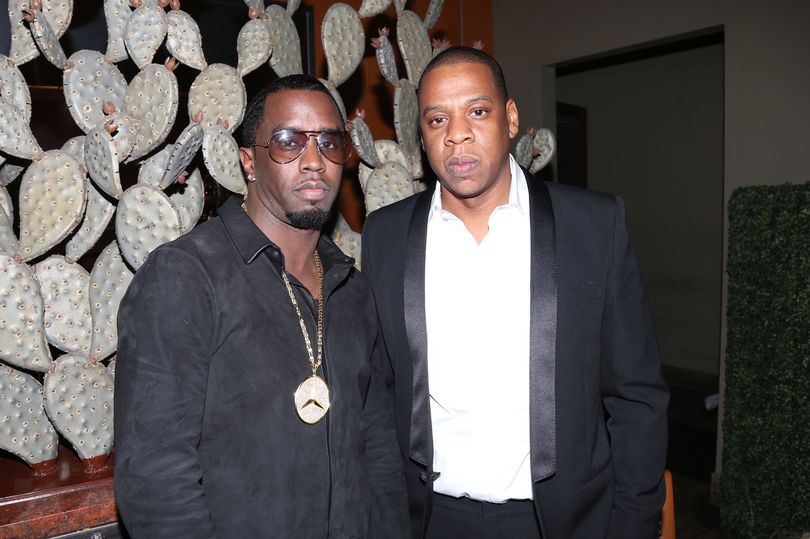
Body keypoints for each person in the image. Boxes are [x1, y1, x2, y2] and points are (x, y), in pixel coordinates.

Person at [361, 47, 669, 538]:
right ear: (422, 135)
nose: (456, 133)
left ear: (510, 118)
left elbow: (637, 398)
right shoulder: (386, 236)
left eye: (477, 112)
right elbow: (379, 392)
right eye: (437, 119)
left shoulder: (593, 226)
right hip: (431, 520)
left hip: (560, 522)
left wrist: (633, 524)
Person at [115, 74, 409, 538]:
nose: (314, 161)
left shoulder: (351, 289)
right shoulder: (185, 277)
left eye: (330, 142)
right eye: (288, 141)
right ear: (248, 161)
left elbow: (378, 452)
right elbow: (156, 482)